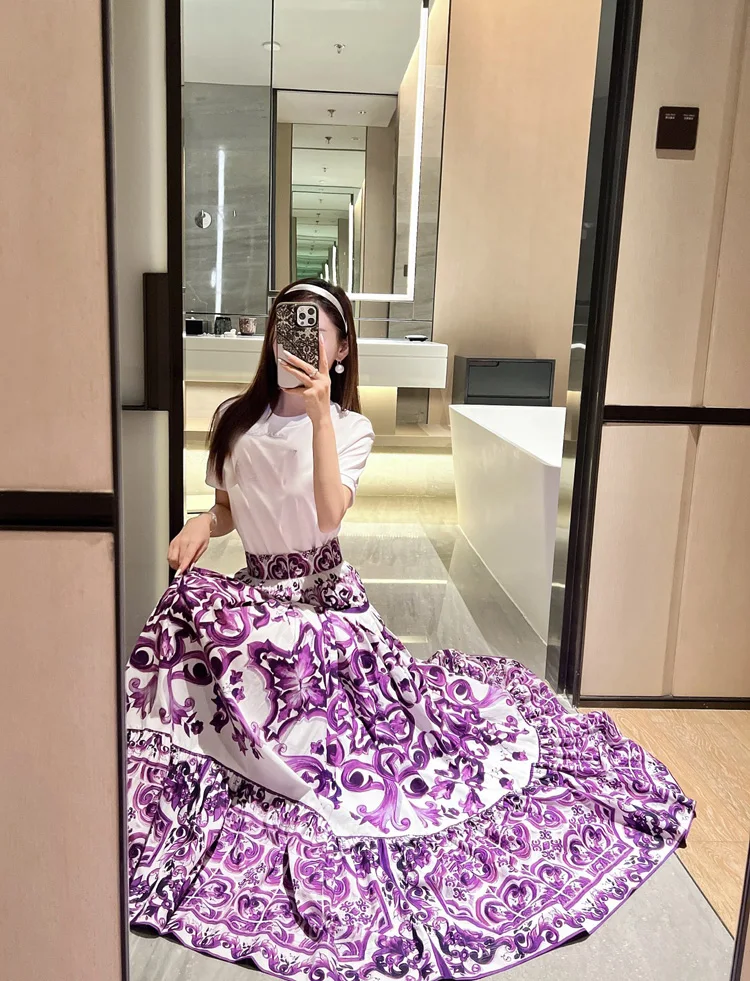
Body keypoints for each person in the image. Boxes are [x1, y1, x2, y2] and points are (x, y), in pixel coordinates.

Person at [126, 279, 694, 980]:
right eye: (287, 324)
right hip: (256, 595)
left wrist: (320, 417)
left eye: (317, 328)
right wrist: (199, 522)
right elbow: (228, 509)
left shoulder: (351, 428)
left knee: (358, 745)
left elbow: (328, 517)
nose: (298, 338)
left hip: (322, 602)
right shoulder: (232, 419)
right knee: (182, 634)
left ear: (340, 350)